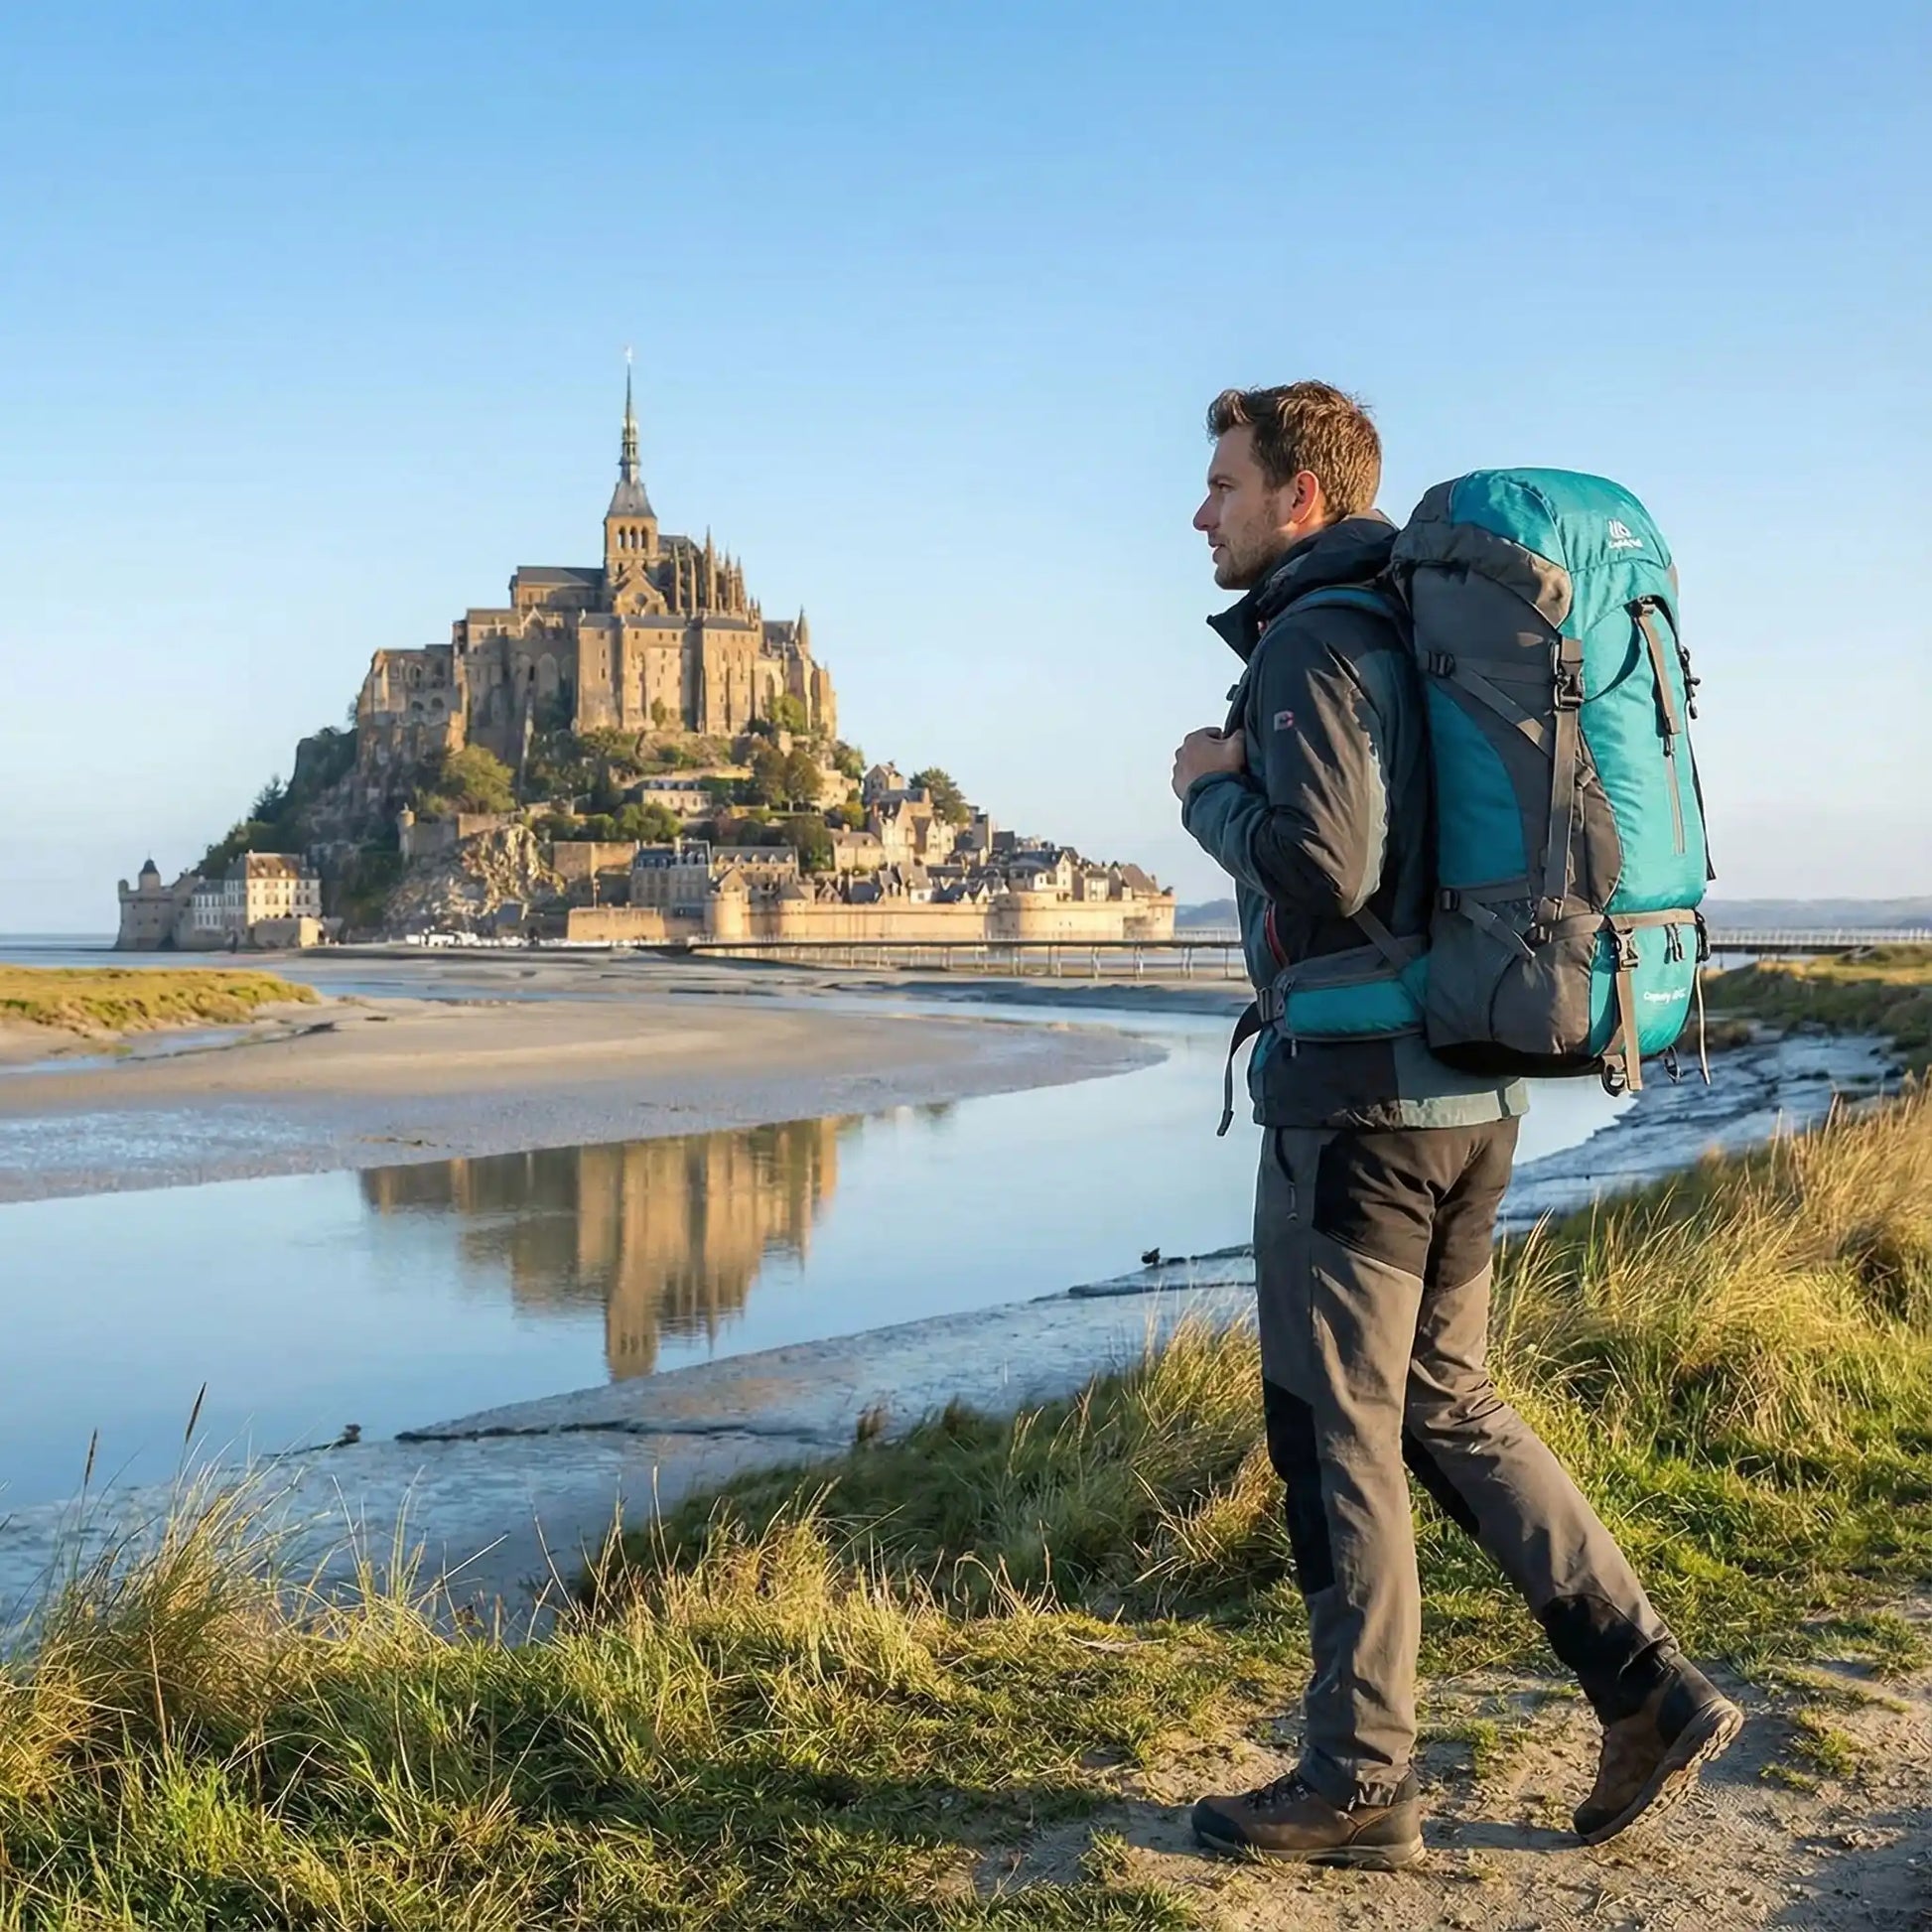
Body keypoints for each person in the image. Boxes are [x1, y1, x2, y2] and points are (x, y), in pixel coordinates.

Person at [1173, 382, 1742, 1869]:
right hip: (1471, 1089)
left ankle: (1358, 1778)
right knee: (1444, 1401)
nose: (1200, 509)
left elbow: (1319, 860)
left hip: (1356, 1107)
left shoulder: (1318, 633)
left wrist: (1207, 793)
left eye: (1222, 481)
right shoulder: (1418, 626)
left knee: (1332, 1432)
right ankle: (1645, 1684)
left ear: (1300, 494)